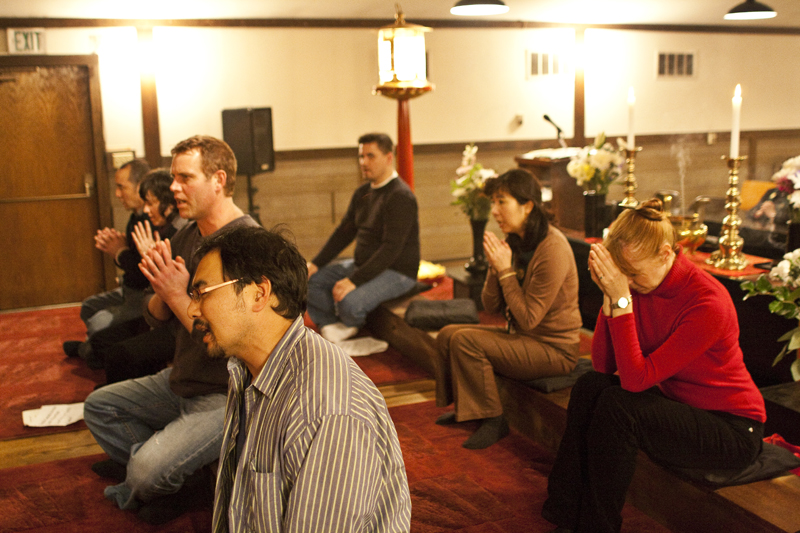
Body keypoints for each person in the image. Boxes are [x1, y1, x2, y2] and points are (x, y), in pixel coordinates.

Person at [542, 199, 766, 533]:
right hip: (680, 408)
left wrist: (621, 300)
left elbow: (635, 381)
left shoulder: (707, 303)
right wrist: (610, 296)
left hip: (731, 430)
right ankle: (564, 512)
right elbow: (603, 365)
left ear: (666, 254)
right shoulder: (641, 285)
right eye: (622, 274)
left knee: (620, 406)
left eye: (632, 273)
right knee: (591, 386)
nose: (628, 283)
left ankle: (596, 526)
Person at [186, 225, 412, 532]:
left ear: (258, 294)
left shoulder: (325, 409)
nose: (191, 308)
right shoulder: (245, 368)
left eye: (201, 293)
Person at [83, 135, 258, 525]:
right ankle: (188, 473)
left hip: (224, 394)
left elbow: (231, 341)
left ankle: (160, 471)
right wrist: (163, 294)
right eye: (174, 177)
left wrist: (178, 296)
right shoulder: (188, 234)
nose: (174, 187)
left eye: (184, 177)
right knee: (99, 407)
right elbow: (152, 313)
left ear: (218, 179)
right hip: (180, 379)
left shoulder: (247, 244)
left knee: (144, 475)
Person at [434, 168, 581, 449]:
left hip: (554, 349)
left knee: (465, 341)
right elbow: (490, 306)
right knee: (447, 334)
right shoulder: (517, 240)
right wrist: (495, 268)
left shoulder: (552, 248)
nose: (495, 211)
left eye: (502, 202)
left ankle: (493, 419)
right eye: (494, 202)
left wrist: (505, 271)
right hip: (524, 338)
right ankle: (467, 409)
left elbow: (527, 319)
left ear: (527, 206)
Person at [307, 132, 420, 344]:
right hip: (364, 264)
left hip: (398, 271)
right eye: (361, 157)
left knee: (349, 302)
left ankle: (347, 322)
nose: (363, 162)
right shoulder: (362, 193)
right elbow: (344, 233)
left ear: (388, 157)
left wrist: (354, 281)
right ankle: (332, 323)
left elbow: (390, 250)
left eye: (370, 156)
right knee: (309, 281)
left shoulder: (401, 196)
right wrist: (315, 263)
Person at [80, 168, 187, 380]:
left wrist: (123, 254)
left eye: (121, 187)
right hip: (148, 301)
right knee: (92, 314)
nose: (117, 194)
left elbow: (161, 286)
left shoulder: (179, 231)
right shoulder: (147, 221)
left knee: (102, 333)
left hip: (165, 314)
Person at [63, 158, 150, 360]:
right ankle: (94, 347)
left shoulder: (151, 219)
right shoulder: (135, 215)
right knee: (89, 306)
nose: (117, 194)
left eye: (121, 187)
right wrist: (120, 249)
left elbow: (144, 273)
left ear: (141, 185)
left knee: (98, 323)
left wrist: (119, 253)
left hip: (142, 294)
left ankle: (91, 353)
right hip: (129, 289)